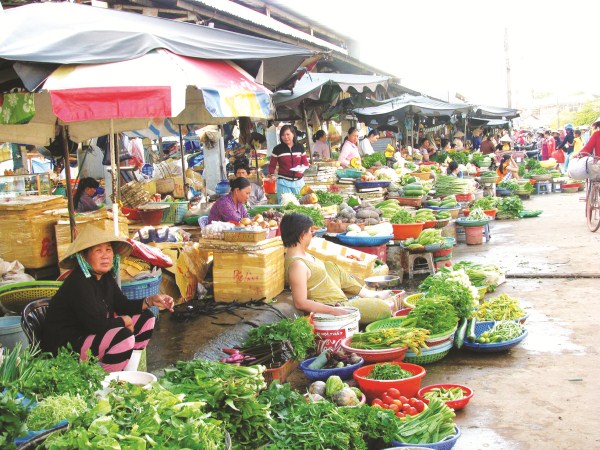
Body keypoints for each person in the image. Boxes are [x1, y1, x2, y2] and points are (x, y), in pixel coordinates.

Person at [41, 225, 174, 373]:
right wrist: (124, 321)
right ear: (83, 256)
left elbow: (122, 305)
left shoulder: (104, 278)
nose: (105, 255)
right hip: (66, 346)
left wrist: (150, 301)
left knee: (147, 317)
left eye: (108, 250)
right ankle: (107, 384)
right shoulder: (78, 282)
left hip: (88, 335)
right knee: (123, 337)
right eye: (98, 250)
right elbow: (97, 325)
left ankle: (129, 373)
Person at [280, 213, 392, 316]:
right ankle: (363, 299)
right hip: (334, 305)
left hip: (335, 295)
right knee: (384, 308)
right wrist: (334, 310)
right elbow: (300, 303)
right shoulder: (297, 266)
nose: (312, 235)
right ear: (302, 235)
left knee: (330, 265)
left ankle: (367, 294)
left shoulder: (302, 254)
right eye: (310, 231)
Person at [268, 125, 309, 203]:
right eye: (283, 135)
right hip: (283, 182)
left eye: (287, 134)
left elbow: (305, 163)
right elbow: (272, 165)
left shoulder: (300, 147)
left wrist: (302, 168)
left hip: (298, 182)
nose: (285, 137)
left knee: (300, 205)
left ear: (293, 134)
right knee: (285, 205)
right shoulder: (277, 149)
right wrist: (272, 175)